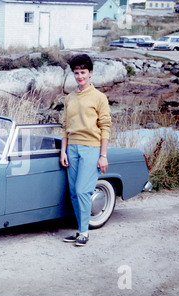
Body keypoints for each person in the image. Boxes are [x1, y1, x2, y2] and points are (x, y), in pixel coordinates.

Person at [60, 54, 112, 247]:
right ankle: (80, 230)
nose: (80, 76)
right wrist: (63, 151)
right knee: (74, 192)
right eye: (76, 73)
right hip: (72, 148)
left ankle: (84, 232)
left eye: (83, 72)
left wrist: (103, 156)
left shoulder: (99, 97)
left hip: (91, 148)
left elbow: (105, 126)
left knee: (83, 190)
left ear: (90, 73)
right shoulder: (69, 98)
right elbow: (65, 126)